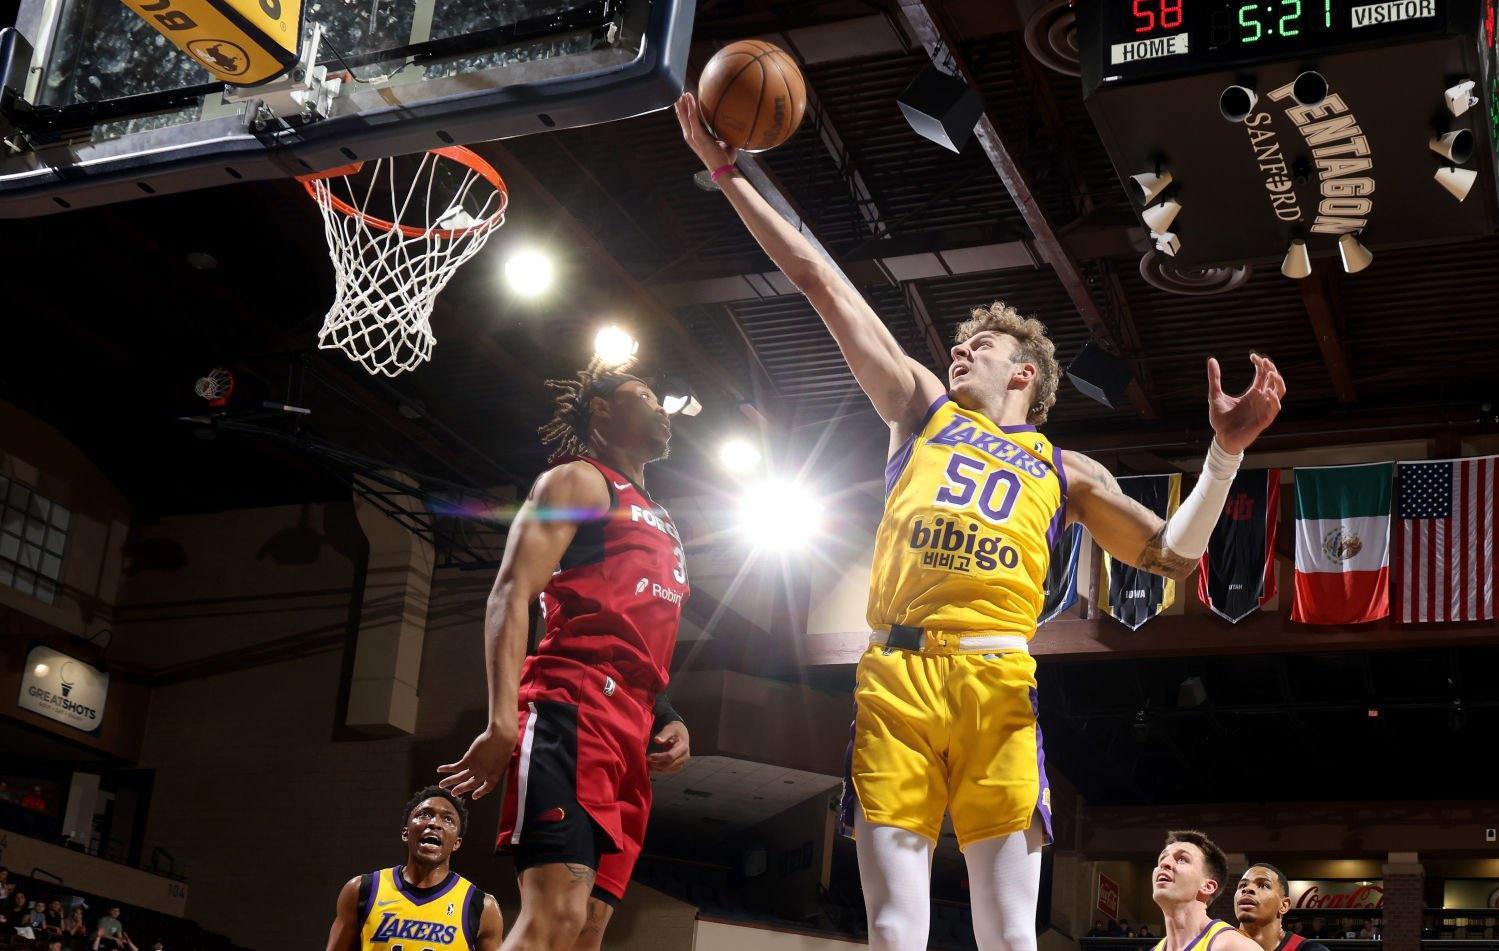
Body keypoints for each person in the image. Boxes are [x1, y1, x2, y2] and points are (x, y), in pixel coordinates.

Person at [674, 92, 1286, 951]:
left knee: (1008, 934)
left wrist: (1223, 453)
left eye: (981, 345)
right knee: (895, 926)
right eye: (959, 343)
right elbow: (822, 283)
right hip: (895, 678)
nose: (958, 348)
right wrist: (729, 174)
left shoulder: (1067, 470)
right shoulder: (919, 407)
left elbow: (1172, 556)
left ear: (1025, 375)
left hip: (997, 681)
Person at [439, 366, 694, 951]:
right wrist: (501, 722)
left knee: (587, 932)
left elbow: (635, 633)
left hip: (632, 724)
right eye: (644, 396)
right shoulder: (578, 480)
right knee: (554, 920)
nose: (661, 407)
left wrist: (667, 714)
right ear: (601, 409)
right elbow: (510, 593)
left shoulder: (662, 518)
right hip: (572, 707)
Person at [324, 787, 502, 950]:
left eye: (448, 819)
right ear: (405, 832)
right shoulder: (362, 890)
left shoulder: (482, 907)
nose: (434, 823)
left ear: (457, 843)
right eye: (424, 814)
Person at [1150, 831, 1258, 951]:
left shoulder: (1231, 945)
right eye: (1162, 858)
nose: (1164, 863)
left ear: (1208, 886)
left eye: (1182, 859)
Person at [1234, 863, 1331, 951]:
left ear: (1284, 905)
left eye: (1263, 885)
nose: (1247, 889)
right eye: (1242, 885)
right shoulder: (1224, 942)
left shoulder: (1310, 949)